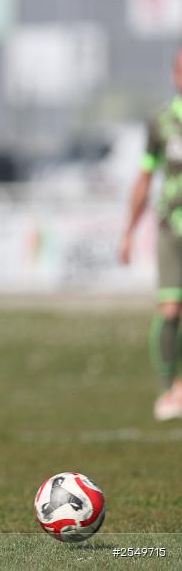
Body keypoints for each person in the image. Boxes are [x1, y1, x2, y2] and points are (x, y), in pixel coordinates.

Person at [120, 47, 182, 421]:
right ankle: (165, 389)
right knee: (171, 307)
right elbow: (145, 177)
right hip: (170, 227)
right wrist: (128, 231)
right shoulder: (161, 122)